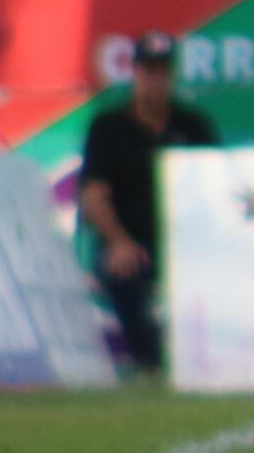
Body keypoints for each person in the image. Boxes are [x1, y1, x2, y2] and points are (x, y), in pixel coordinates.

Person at [80, 36, 216, 375]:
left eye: (162, 71)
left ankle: (211, 362)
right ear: (136, 72)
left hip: (186, 242)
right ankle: (149, 363)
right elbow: (94, 193)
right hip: (131, 240)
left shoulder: (194, 126)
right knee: (124, 272)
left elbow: (215, 187)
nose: (156, 79)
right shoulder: (108, 127)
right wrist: (118, 241)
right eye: (148, 70)